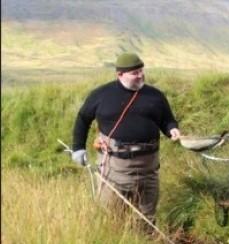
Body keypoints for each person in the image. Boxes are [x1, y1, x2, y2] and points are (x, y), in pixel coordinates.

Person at [71, 52, 181, 230]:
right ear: (120, 74)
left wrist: (172, 129)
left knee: (146, 218)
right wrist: (78, 148)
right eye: (135, 73)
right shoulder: (101, 95)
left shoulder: (155, 96)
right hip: (114, 168)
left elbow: (167, 119)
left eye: (141, 70)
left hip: (148, 169)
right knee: (111, 216)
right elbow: (83, 118)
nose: (140, 75)